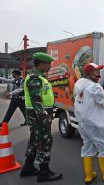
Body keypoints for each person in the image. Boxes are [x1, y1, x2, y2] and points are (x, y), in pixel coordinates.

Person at [20, 52, 62, 182]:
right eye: (49, 64)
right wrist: (44, 118)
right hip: (39, 116)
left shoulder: (39, 77)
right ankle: (44, 172)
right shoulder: (34, 78)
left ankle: (27, 168)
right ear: (42, 64)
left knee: (34, 140)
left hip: (39, 115)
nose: (50, 66)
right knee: (45, 141)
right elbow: (36, 101)